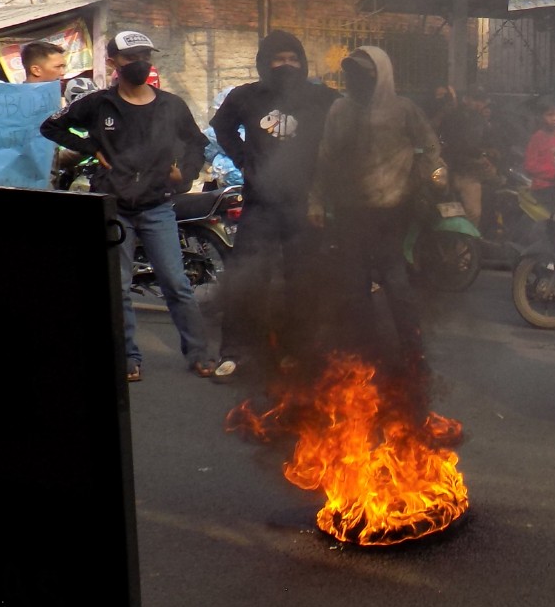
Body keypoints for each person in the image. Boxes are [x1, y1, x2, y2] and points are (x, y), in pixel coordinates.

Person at [40, 30, 215, 383]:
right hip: (113, 209)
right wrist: (92, 148)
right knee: (117, 288)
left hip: (157, 207)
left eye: (144, 57)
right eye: (130, 58)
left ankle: (199, 353)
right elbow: (51, 127)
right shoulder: (98, 105)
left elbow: (197, 143)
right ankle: (128, 358)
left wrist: (184, 175)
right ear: (113, 62)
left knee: (176, 284)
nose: (139, 64)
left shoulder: (171, 105)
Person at [210, 30, 339, 378]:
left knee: (302, 281)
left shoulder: (322, 99)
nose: (286, 65)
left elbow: (344, 137)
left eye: (293, 59)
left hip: (304, 205)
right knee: (247, 278)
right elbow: (221, 128)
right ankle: (235, 352)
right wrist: (244, 161)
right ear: (265, 64)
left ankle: (295, 350)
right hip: (260, 202)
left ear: (303, 63)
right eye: (278, 60)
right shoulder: (244, 97)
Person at [308, 47, 445, 367]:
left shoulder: (403, 109)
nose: (358, 79)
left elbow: (430, 148)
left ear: (382, 74)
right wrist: (315, 201)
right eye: (353, 73)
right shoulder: (340, 110)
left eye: (366, 73)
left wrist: (429, 180)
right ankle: (365, 354)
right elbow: (325, 158)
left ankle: (413, 352)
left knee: (396, 282)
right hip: (349, 212)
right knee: (354, 287)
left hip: (392, 212)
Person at [438, 88, 494, 230]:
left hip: (468, 171)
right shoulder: (452, 117)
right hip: (453, 170)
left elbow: (487, 143)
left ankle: (468, 244)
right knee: (462, 212)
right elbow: (442, 142)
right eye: (476, 100)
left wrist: (486, 155)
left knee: (474, 212)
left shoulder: (479, 119)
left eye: (482, 102)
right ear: (466, 99)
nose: (479, 105)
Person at [522, 95, 555, 191]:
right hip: (543, 187)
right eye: (549, 115)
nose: (554, 119)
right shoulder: (537, 138)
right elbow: (530, 165)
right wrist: (554, 173)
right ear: (541, 116)